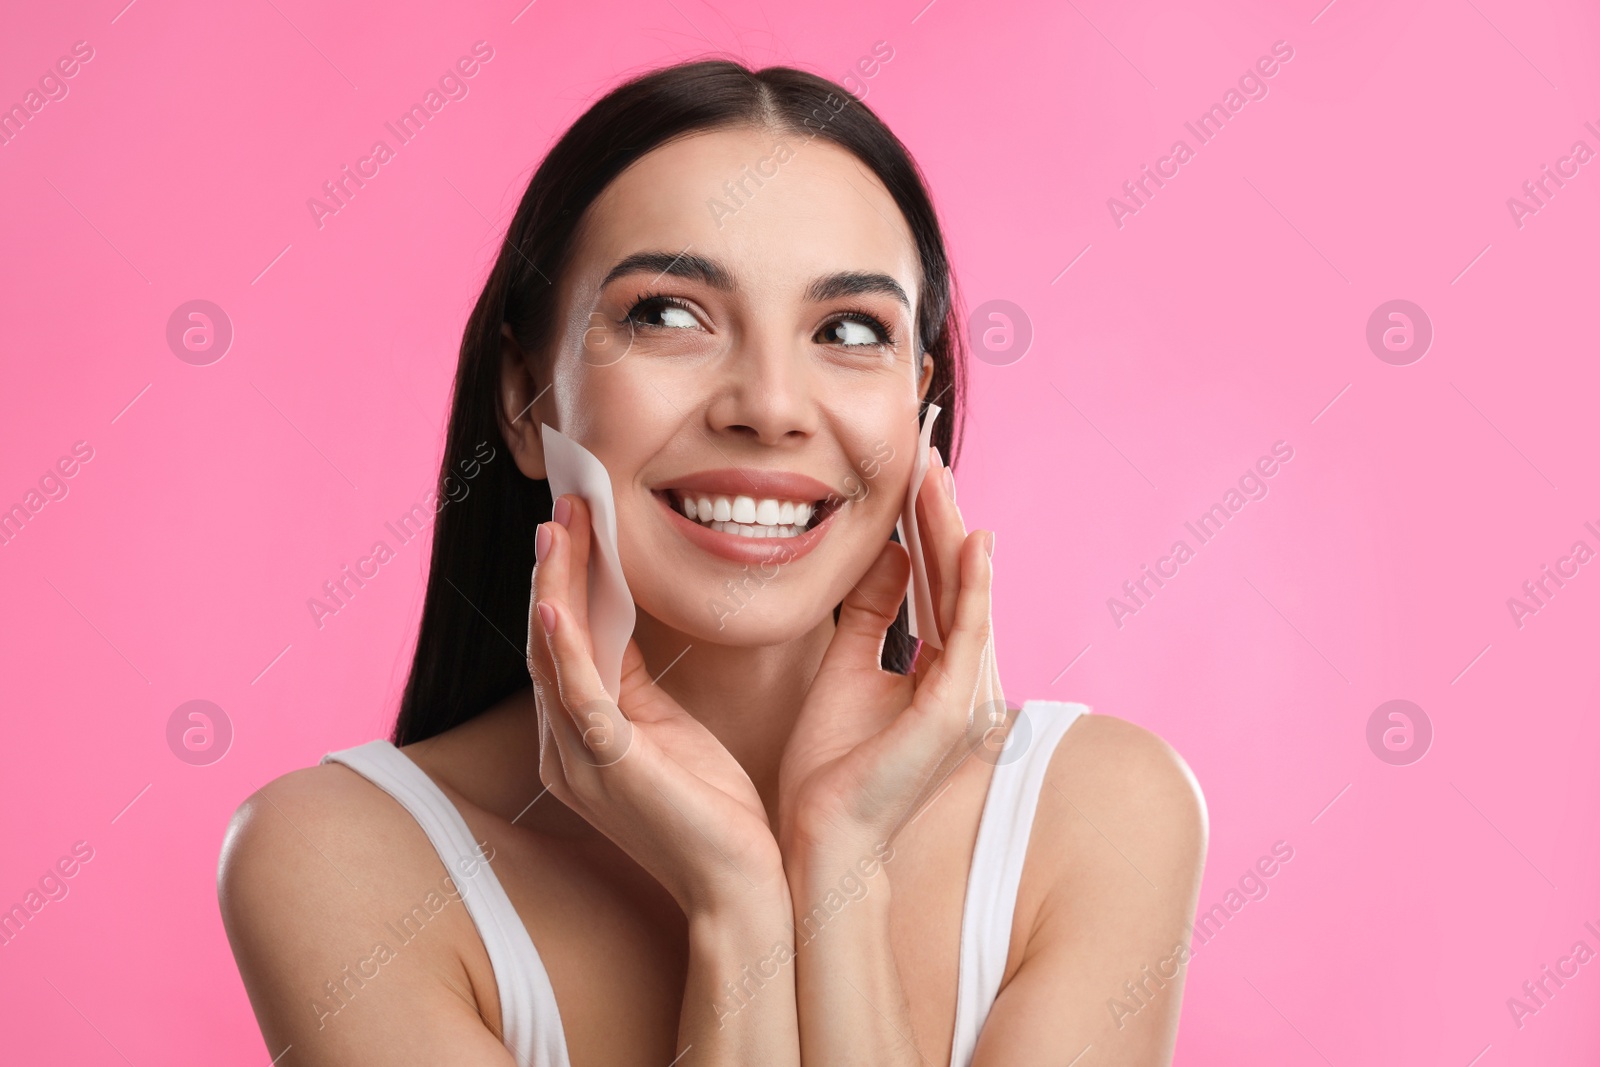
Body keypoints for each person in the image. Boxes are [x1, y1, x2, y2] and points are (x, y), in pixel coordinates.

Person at [217, 59, 1207, 1066]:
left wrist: (841, 870)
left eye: (849, 328)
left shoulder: (1099, 813)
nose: (767, 404)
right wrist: (734, 900)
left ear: (921, 410)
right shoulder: (339, 857)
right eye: (669, 314)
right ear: (525, 396)